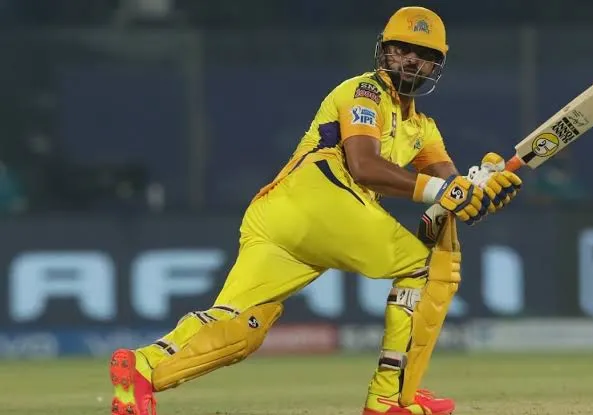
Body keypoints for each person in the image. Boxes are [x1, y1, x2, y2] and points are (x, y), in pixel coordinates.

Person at [108, 6, 523, 415]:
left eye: (424, 54)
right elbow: (364, 166)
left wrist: (483, 188)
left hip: (278, 219)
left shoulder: (423, 129)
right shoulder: (364, 92)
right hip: (320, 196)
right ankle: (390, 397)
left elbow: (452, 188)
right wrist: (448, 190)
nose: (412, 60)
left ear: (436, 66)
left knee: (241, 327)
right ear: (384, 50)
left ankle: (142, 369)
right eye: (402, 49)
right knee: (425, 270)